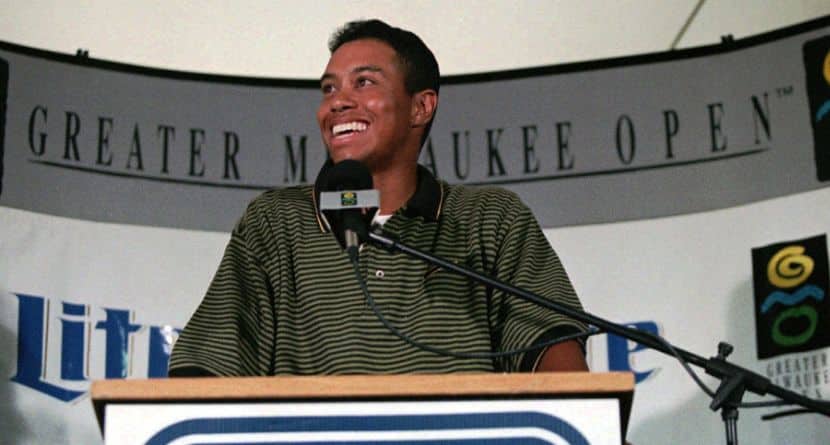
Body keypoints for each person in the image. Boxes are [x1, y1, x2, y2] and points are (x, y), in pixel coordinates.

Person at [168, 19, 588, 377]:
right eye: (328, 90)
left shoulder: (490, 219)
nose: (337, 103)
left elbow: (556, 358)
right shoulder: (277, 223)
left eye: (363, 82)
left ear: (420, 107)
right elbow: (207, 369)